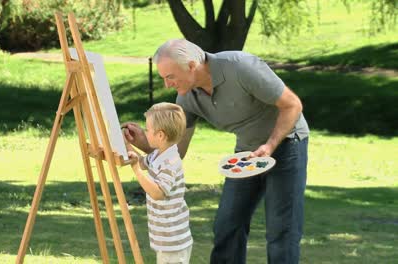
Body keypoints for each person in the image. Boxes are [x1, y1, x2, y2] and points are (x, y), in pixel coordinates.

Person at [123, 39, 309, 264]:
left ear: (192, 66)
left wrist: (270, 145)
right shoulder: (187, 97)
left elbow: (293, 105)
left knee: (282, 228)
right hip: (247, 152)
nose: (167, 85)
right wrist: (142, 140)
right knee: (227, 223)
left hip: (287, 142)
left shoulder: (240, 67)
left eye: (170, 76)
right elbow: (175, 151)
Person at [125, 102, 193, 264]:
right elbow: (141, 161)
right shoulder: (157, 156)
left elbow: (157, 192)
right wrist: (126, 144)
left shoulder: (170, 162)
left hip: (174, 241)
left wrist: (136, 171)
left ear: (160, 135)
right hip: (165, 239)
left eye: (148, 130)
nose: (145, 133)